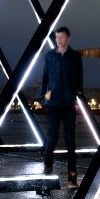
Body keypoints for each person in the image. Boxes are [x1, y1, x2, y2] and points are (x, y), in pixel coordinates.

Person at [40, 26, 83, 188]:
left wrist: (75, 95)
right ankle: (47, 166)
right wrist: (44, 98)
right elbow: (45, 78)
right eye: (57, 37)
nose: (59, 40)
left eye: (62, 37)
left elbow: (79, 78)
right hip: (53, 105)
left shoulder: (75, 56)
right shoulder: (49, 56)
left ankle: (72, 176)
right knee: (52, 138)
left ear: (68, 38)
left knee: (70, 140)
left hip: (68, 104)